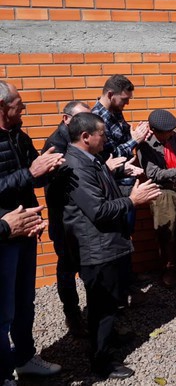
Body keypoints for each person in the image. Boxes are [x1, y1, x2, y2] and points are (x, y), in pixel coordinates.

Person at [62, 112, 161, 379]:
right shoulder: (76, 167)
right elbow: (97, 210)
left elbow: (104, 194)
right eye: (102, 134)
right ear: (86, 137)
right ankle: (101, 362)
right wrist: (132, 200)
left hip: (107, 244)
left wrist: (118, 176)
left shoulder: (91, 159)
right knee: (101, 307)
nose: (106, 138)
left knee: (109, 303)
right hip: (96, 248)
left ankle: (108, 340)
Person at [0, 81, 64, 384]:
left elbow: (32, 179)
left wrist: (49, 168)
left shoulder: (19, 136)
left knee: (25, 301)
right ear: (2, 106)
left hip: (26, 229)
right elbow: (23, 176)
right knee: (3, 311)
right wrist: (30, 173)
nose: (23, 108)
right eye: (18, 103)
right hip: (4, 235)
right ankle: (3, 374)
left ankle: (25, 359)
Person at [137, 109, 176, 287]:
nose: (172, 134)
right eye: (168, 132)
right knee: (166, 232)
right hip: (162, 192)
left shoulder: (174, 137)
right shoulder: (145, 145)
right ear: (155, 131)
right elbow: (153, 174)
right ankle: (168, 268)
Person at [42, 100, 91, 337]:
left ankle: (95, 314)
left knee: (88, 265)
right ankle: (72, 315)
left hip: (82, 217)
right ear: (66, 119)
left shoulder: (80, 139)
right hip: (64, 219)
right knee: (67, 267)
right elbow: (54, 187)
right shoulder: (55, 145)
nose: (86, 123)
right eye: (81, 118)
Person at [92, 74, 150, 195]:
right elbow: (110, 156)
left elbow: (125, 138)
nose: (127, 103)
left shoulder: (115, 110)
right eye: (124, 99)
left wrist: (141, 133)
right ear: (110, 95)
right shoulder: (97, 120)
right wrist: (135, 140)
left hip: (128, 179)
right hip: (115, 185)